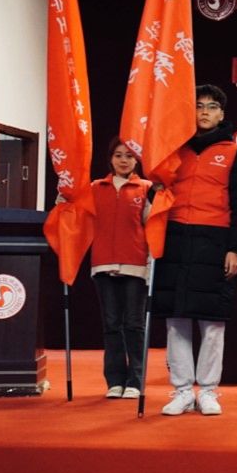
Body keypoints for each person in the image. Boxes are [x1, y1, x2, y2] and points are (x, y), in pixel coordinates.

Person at [155, 84, 237, 416]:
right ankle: (182, 391)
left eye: (212, 107)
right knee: (176, 319)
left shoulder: (233, 153)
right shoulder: (173, 150)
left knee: (212, 322)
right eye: (199, 106)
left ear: (222, 114)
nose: (204, 112)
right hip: (175, 239)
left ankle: (209, 391)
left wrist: (235, 249)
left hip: (214, 242)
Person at [89, 138, 152, 400]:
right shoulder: (95, 188)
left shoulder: (146, 188)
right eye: (118, 155)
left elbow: (153, 225)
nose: (123, 160)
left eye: (129, 156)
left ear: (137, 160)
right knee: (111, 325)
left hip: (135, 265)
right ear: (110, 159)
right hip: (103, 263)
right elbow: (78, 216)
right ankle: (114, 381)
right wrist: (64, 200)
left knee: (134, 325)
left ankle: (135, 381)